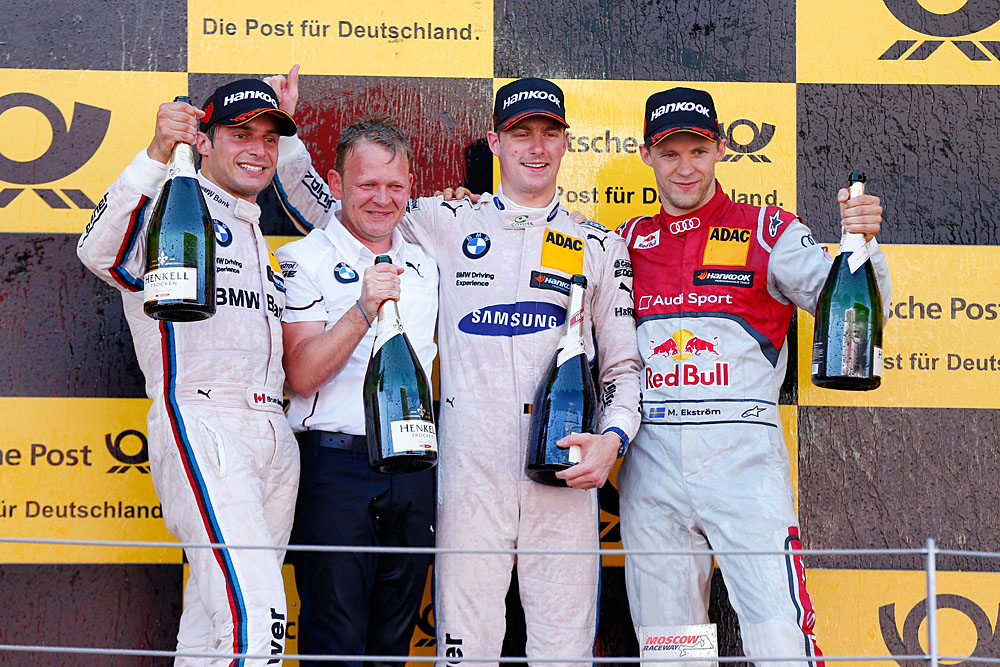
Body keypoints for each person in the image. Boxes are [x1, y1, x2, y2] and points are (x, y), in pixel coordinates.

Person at [273, 77, 643, 666]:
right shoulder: (445, 219)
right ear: (495, 142)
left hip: (564, 469)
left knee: (564, 652)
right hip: (468, 473)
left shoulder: (599, 244)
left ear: (567, 142)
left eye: (549, 134)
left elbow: (623, 365)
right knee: (465, 652)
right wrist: (286, 136)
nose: (536, 148)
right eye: (521, 134)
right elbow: (343, 210)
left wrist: (613, 439)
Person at [615, 87, 891, 665]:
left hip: (743, 458)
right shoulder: (627, 241)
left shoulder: (770, 230)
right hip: (651, 459)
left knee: (778, 635)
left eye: (698, 150)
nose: (685, 167)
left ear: (721, 148)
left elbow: (854, 309)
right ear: (646, 155)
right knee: (670, 649)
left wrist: (865, 243)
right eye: (669, 153)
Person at [77, 78, 306, 666]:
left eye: (270, 138)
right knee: (258, 618)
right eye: (240, 134)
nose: (258, 149)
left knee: (210, 626)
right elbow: (99, 253)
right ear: (203, 141)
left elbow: (350, 217)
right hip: (203, 418)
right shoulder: (172, 202)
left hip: (272, 429)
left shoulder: (254, 227)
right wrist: (157, 153)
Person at [275, 115, 438, 667]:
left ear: (411, 187)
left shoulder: (427, 261)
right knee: (335, 641)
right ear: (337, 183)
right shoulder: (302, 260)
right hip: (335, 466)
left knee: (393, 645)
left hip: (414, 466)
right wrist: (363, 309)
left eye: (395, 186)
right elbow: (300, 374)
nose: (381, 199)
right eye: (367, 184)